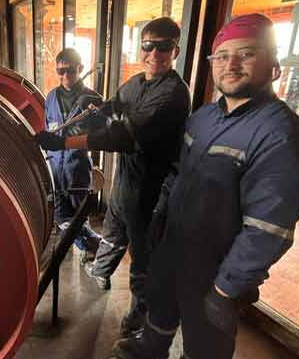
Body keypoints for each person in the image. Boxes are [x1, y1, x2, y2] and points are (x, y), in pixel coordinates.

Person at [113, 14, 299, 359]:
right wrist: (158, 222)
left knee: (205, 344)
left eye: (247, 53)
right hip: (174, 246)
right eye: (223, 56)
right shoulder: (203, 118)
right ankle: (149, 350)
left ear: (274, 65)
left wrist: (226, 290)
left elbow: (267, 229)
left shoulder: (284, 137)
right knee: (161, 310)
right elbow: (178, 175)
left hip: (215, 269)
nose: (232, 64)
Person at [36, 17, 191, 339]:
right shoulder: (136, 83)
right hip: (126, 179)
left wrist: (64, 142)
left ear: (174, 50)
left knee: (143, 255)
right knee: (112, 230)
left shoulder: (173, 94)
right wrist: (97, 106)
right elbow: (114, 108)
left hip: (153, 187)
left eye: (163, 47)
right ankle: (101, 272)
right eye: (148, 46)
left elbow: (121, 138)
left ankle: (139, 319)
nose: (154, 53)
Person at [44, 48, 103, 264]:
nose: (64, 76)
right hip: (55, 168)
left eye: (69, 71)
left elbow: (102, 136)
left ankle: (91, 245)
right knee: (61, 216)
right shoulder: (50, 97)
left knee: (78, 216)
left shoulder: (93, 99)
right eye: (60, 71)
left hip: (77, 168)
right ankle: (90, 243)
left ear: (80, 69)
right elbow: (48, 127)